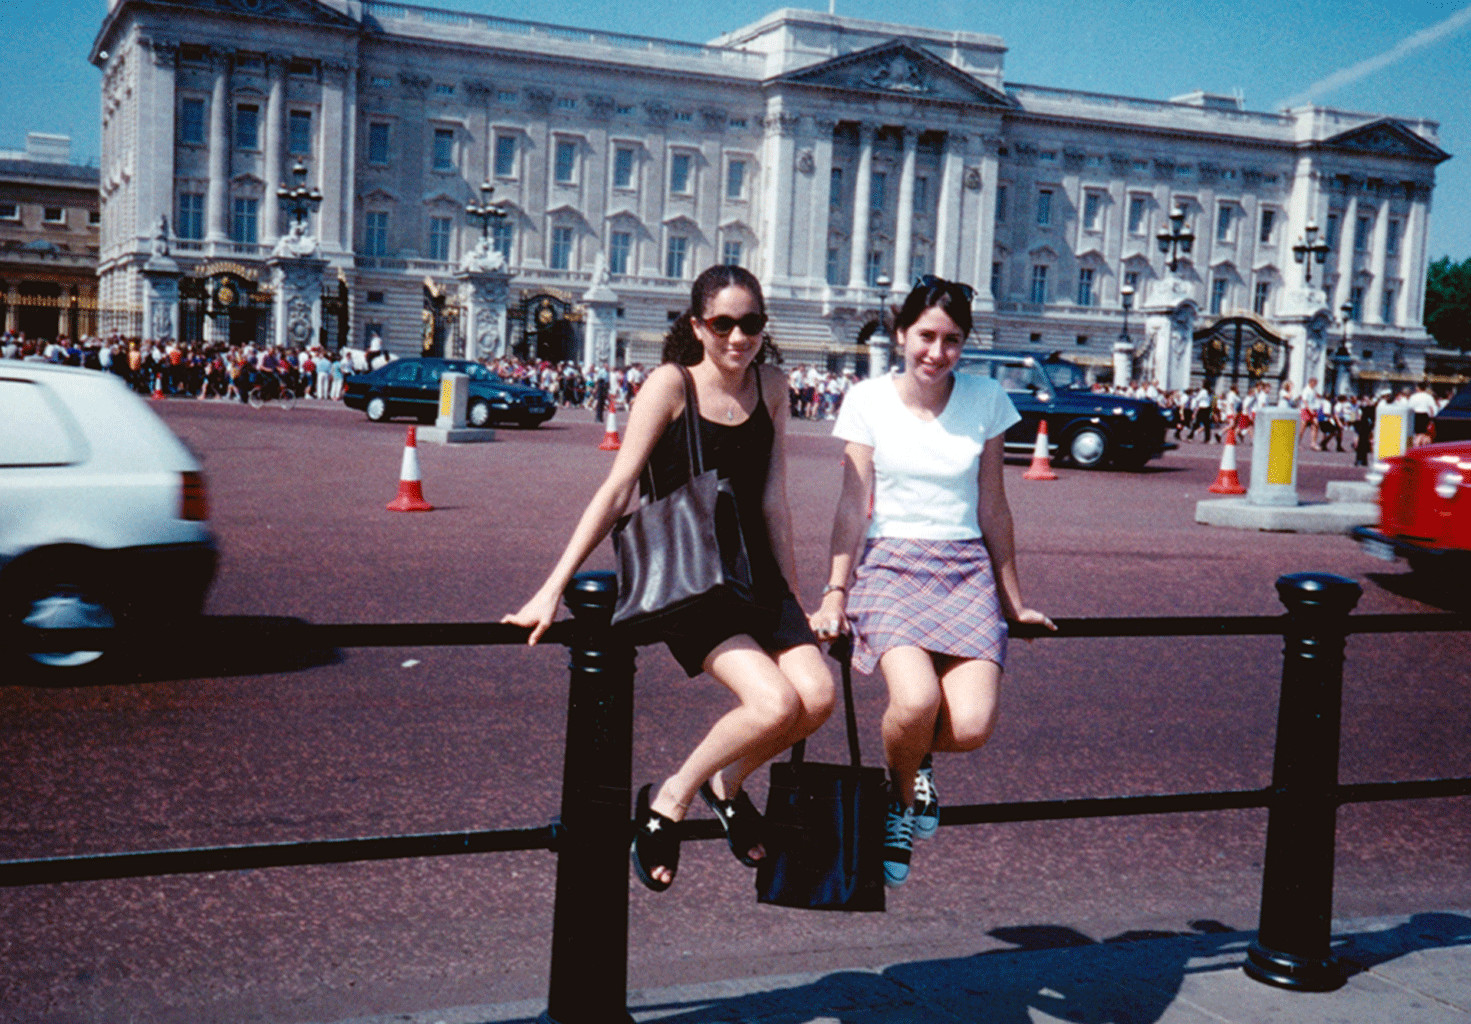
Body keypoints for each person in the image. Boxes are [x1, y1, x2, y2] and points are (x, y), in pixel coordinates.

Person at [504, 264, 834, 893]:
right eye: (723, 323)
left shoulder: (772, 384)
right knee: (775, 704)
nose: (738, 337)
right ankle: (670, 802)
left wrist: (794, 595)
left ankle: (726, 783)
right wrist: (552, 587)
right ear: (697, 326)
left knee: (816, 698)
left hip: (758, 575)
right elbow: (618, 489)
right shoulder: (670, 384)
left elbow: (774, 499)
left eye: (751, 324)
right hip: (694, 579)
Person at [808, 276, 1054, 889]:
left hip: (965, 569)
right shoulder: (867, 399)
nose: (937, 353)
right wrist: (835, 591)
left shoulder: (986, 397)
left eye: (952, 340)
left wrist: (1014, 602)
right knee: (915, 701)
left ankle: (915, 759)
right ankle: (898, 801)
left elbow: (993, 505)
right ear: (900, 334)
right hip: (891, 566)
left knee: (970, 727)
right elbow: (852, 504)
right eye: (925, 336)